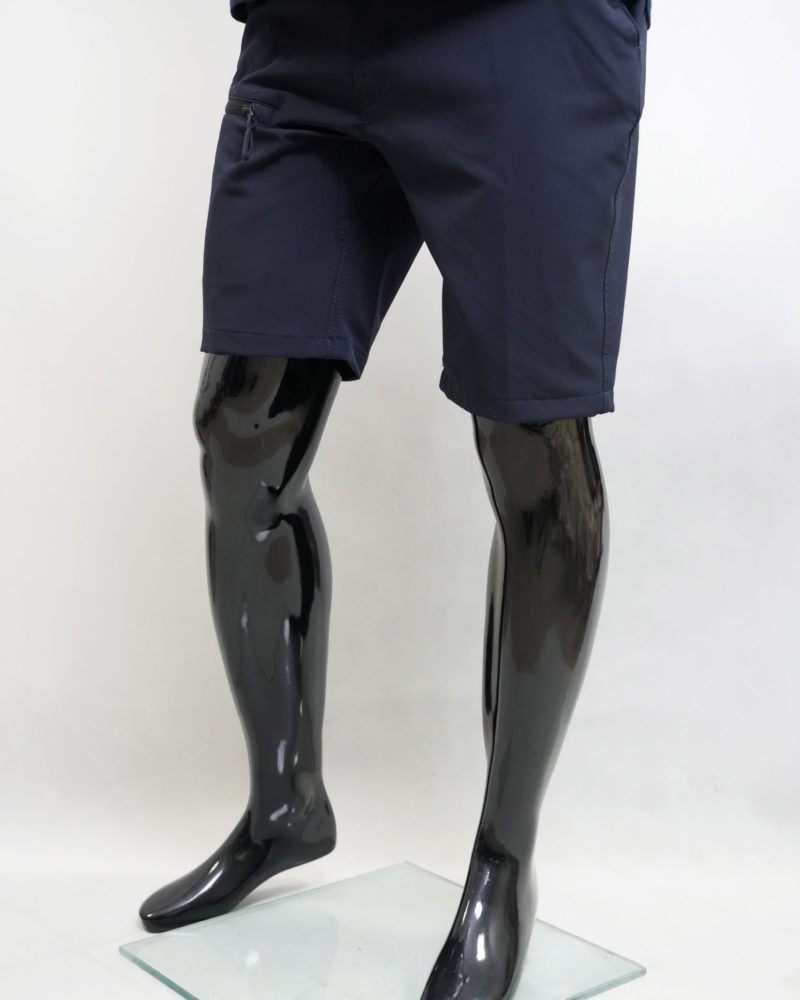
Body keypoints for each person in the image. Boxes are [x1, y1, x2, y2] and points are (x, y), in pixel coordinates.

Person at [139, 2, 651, 998]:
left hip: (524, 36)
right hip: (307, 33)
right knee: (241, 431)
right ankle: (284, 805)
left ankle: (503, 864)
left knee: (531, 440)